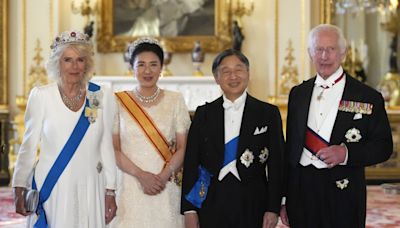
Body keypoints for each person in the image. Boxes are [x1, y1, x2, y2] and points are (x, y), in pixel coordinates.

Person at [280, 24, 393, 228]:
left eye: (331, 49)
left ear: (343, 53)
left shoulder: (367, 96)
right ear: (310, 53)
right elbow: (291, 150)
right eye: (318, 49)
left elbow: (383, 146)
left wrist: (346, 153)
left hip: (344, 191)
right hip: (301, 191)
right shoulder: (297, 94)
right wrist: (284, 199)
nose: (324, 56)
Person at [12, 30, 117, 227]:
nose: (74, 66)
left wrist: (110, 189)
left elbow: (106, 145)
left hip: (91, 183)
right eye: (67, 60)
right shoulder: (42, 96)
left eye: (80, 60)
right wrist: (19, 186)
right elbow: (28, 146)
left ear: (87, 63)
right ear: (57, 63)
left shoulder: (100, 96)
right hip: (53, 184)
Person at [181, 49, 284, 228]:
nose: (233, 76)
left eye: (238, 69)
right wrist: (190, 210)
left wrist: (273, 208)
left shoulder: (268, 113)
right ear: (216, 77)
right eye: (226, 71)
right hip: (211, 199)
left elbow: (277, 164)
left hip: (253, 200)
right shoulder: (203, 114)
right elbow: (191, 163)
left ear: (248, 73)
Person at [111, 37, 191, 227]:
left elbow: (182, 147)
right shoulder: (118, 102)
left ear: (161, 67)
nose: (147, 71)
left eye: (154, 64)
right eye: (141, 65)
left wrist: (163, 177)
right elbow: (114, 149)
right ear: (132, 68)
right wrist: (141, 175)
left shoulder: (175, 100)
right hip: (130, 184)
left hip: (165, 185)